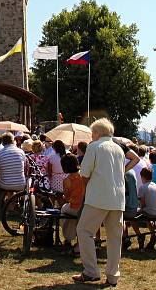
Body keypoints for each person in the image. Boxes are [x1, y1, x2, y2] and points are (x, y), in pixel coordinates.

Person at [72, 119, 131, 286]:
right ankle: (113, 276)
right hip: (117, 199)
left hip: (97, 197)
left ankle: (91, 271)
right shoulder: (119, 149)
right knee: (114, 238)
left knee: (83, 231)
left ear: (96, 133)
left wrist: (87, 188)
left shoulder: (94, 146)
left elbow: (85, 173)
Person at [0, 132, 26, 215]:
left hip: (6, 183)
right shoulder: (21, 152)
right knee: (11, 187)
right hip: (21, 183)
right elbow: (24, 167)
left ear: (3, 142)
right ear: (13, 140)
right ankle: (11, 207)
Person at [61, 153, 84, 255]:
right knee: (74, 215)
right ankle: (70, 237)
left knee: (64, 210)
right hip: (84, 206)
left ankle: (68, 237)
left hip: (74, 207)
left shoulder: (67, 180)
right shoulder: (84, 176)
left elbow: (67, 198)